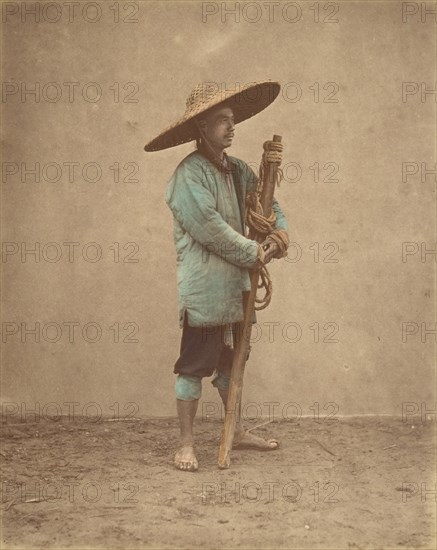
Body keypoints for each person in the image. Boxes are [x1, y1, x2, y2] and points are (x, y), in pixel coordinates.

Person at [144, 81, 289, 471]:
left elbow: (268, 204)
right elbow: (211, 229)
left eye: (232, 119)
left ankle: (235, 431)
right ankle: (186, 445)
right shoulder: (188, 177)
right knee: (194, 365)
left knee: (234, 362)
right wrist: (253, 252)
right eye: (221, 120)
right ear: (200, 128)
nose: (231, 126)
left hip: (239, 288)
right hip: (206, 289)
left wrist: (278, 236)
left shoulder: (238, 170)